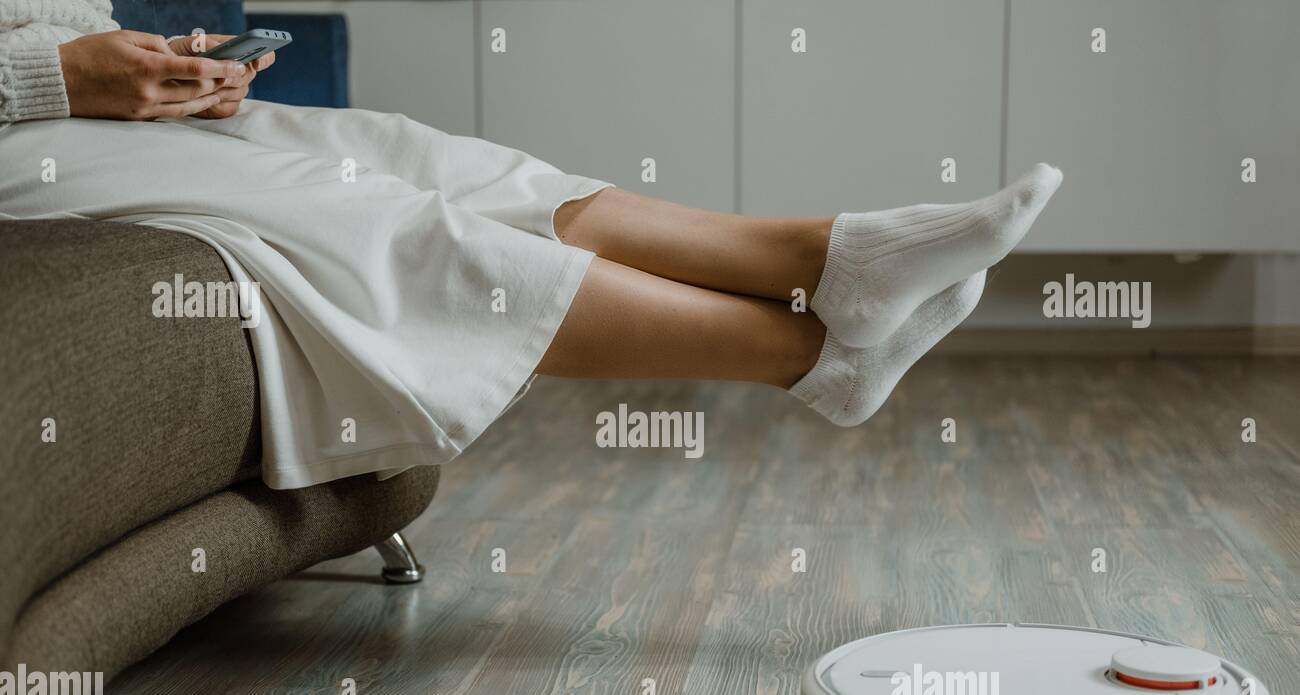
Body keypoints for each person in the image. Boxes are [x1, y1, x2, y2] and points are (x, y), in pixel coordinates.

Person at [0, 1, 1062, 488]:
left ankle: (824, 266)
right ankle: (810, 351)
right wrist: (59, 79)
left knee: (414, 152)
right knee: (360, 216)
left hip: (82, 105)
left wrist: (150, 64)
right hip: (24, 132)